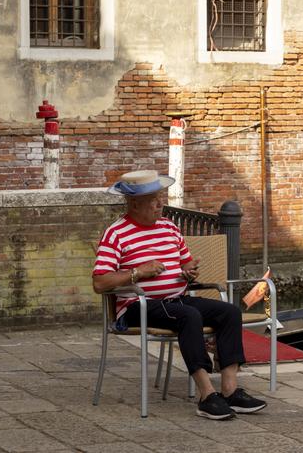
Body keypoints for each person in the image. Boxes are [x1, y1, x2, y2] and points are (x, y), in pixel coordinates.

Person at [92, 169, 267, 420]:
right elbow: (100, 282)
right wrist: (138, 273)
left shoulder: (169, 227)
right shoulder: (116, 234)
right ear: (134, 204)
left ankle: (229, 390)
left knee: (229, 311)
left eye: (160, 197)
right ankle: (206, 394)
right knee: (189, 316)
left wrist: (189, 271)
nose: (160, 204)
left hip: (177, 299)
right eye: (153, 200)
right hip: (137, 305)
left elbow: (185, 264)